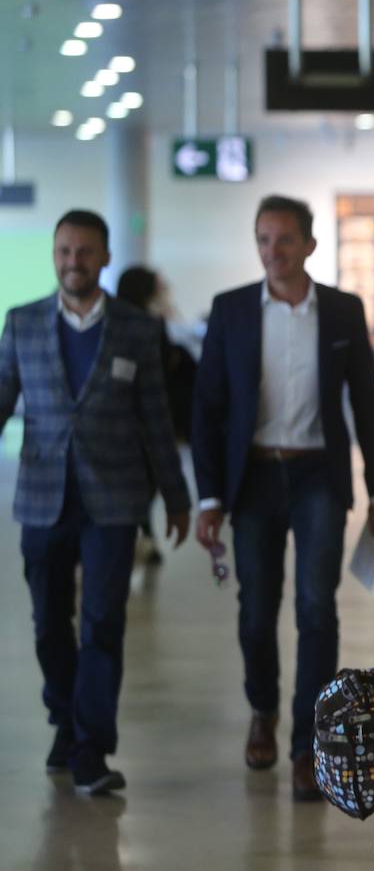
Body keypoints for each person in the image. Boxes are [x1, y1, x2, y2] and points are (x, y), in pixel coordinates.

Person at [191, 195, 374, 802]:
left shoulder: (340, 311)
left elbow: (367, 401)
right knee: (256, 610)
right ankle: (262, 710)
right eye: (262, 239)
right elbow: (206, 408)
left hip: (317, 477)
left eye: (284, 240)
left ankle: (308, 744)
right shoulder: (230, 311)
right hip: (252, 477)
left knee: (315, 608)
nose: (272, 251)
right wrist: (208, 498)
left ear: (309, 244)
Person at [0, 209, 191, 795]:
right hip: (42, 498)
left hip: (114, 499)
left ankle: (90, 749)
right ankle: (64, 717)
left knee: (103, 623)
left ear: (104, 258)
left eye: (85, 252)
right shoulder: (23, 323)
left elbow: (157, 418)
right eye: (64, 251)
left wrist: (177, 499)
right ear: (54, 256)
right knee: (47, 623)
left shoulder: (137, 328)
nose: (73, 262)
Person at [117, 266, 198, 567]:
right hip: (142, 424)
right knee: (144, 482)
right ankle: (141, 536)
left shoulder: (132, 321)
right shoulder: (146, 325)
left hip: (136, 425)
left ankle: (143, 535)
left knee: (142, 482)